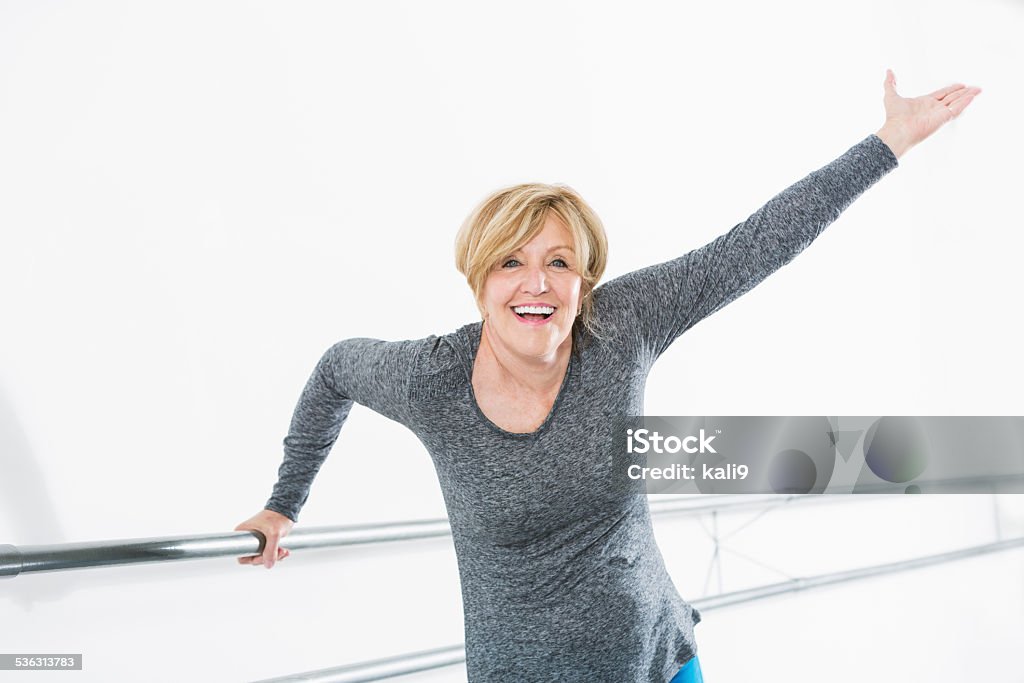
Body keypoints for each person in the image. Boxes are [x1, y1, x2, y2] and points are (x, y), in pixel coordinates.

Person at [234, 70, 980, 682]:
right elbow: (334, 369)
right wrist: (283, 502)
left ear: (585, 280)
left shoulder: (618, 327)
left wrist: (890, 141)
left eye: (559, 261)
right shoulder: (430, 379)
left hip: (664, 659)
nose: (537, 283)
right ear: (477, 278)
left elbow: (754, 245)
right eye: (511, 261)